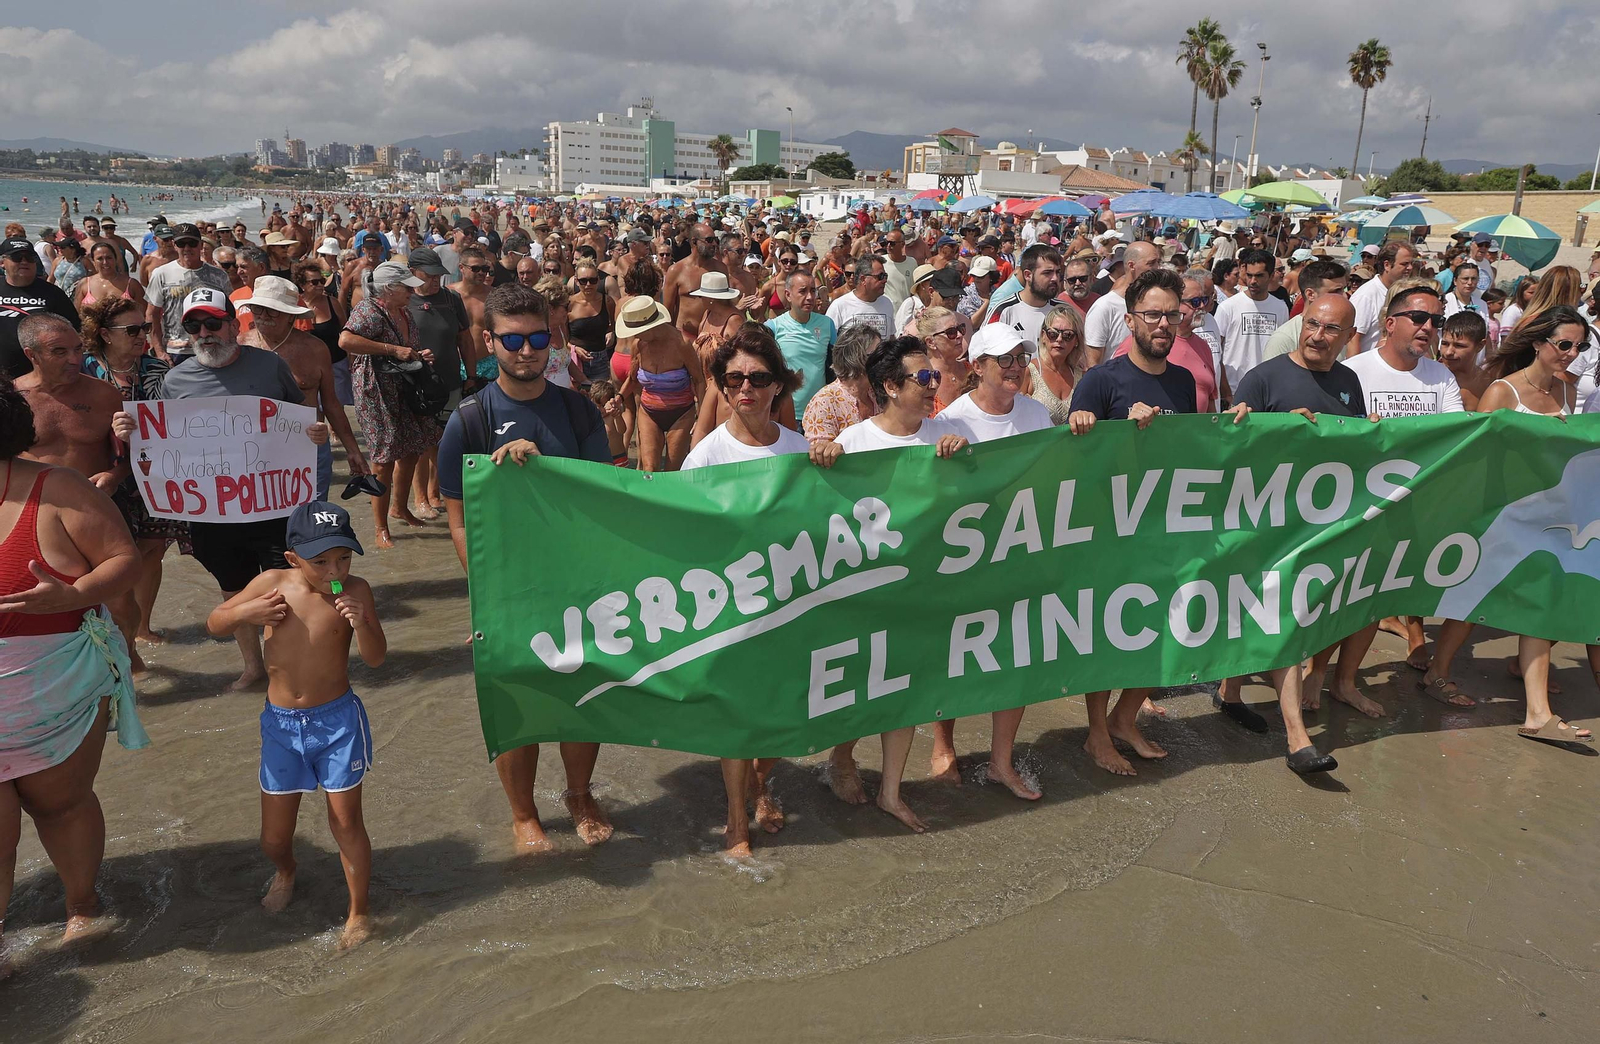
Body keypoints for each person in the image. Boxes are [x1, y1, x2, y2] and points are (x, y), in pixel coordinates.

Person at [437, 282, 613, 850]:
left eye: (538, 338)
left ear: (552, 339)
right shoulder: (469, 420)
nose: (527, 350)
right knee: (516, 703)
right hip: (505, 591)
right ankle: (523, 815)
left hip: (576, 583)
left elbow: (604, 498)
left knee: (582, 695)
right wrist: (486, 591)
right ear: (490, 342)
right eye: (512, 341)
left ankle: (580, 794)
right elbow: (459, 521)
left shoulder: (578, 411)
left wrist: (542, 476)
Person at [1068, 269, 1246, 773]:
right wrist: (1109, 432)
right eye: (1152, 314)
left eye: (1172, 313)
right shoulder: (1101, 380)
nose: (1164, 323)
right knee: (1109, 634)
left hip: (1166, 526)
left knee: (1169, 625)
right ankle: (1097, 734)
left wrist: (1237, 428)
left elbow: (1191, 450)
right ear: (1130, 321)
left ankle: (1125, 719)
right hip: (1111, 530)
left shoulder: (1184, 380)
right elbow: (1075, 465)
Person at [0, 373, 145, 975]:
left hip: (54, 683)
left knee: (59, 805)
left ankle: (82, 907)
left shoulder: (56, 489)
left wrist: (75, 594)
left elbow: (124, 560)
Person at [205, 501, 385, 951]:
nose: (334, 570)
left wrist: (362, 624)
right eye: (320, 562)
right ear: (292, 558)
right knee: (273, 838)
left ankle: (359, 911)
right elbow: (215, 622)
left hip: (338, 723)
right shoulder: (272, 584)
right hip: (282, 727)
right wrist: (246, 614)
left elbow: (376, 658)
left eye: (343, 557)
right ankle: (286, 870)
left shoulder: (356, 590)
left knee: (346, 822)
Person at [811, 336, 970, 832]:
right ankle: (842, 757)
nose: (933, 385)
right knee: (860, 688)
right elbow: (819, 514)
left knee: (906, 688)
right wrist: (826, 459)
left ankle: (891, 792)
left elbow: (981, 493)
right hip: (866, 591)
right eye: (923, 378)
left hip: (923, 589)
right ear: (890, 386)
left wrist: (964, 456)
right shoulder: (855, 442)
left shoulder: (946, 433)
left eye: (934, 376)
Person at [1421, 306, 1595, 749]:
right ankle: (1438, 672)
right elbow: (1477, 458)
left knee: (1538, 600)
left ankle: (1537, 711)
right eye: (1564, 344)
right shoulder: (1503, 391)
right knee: (1473, 598)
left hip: (1549, 518)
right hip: (1501, 514)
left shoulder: (1568, 390)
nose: (1571, 354)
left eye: (1580, 347)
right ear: (1538, 343)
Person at [680, 327, 816, 855]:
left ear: (778, 385)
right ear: (720, 384)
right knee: (736, 714)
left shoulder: (802, 451)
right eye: (734, 378)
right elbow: (682, 537)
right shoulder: (705, 458)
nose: (746, 388)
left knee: (785, 709)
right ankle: (736, 818)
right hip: (730, 606)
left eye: (758, 378)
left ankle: (760, 781)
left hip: (791, 603)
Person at [1229, 294, 1374, 774]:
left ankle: (1231, 692)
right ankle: (1296, 738)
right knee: (1279, 616)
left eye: (1331, 329)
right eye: (1312, 324)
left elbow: (1353, 450)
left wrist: (1370, 434)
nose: (1318, 335)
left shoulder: (1349, 381)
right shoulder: (1264, 378)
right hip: (1264, 524)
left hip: (1319, 525)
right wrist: (1278, 430)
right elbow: (1228, 447)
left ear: (1348, 335)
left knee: (1286, 615)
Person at [927, 324, 1055, 798]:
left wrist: (1082, 429)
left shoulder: (1036, 413)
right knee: (955, 652)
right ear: (977, 366)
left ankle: (1002, 761)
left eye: (1020, 358)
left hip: (1022, 550)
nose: (1015, 367)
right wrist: (943, 456)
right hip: (966, 558)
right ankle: (943, 744)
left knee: (1018, 651)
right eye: (1004, 360)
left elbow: (1058, 474)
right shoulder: (950, 421)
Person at [1341, 282, 1461, 697]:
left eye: (1436, 321)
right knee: (1346, 596)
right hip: (1362, 506)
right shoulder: (1354, 371)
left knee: (1388, 594)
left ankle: (1348, 679)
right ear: (1390, 324)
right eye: (1419, 317)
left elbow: (1455, 436)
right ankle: (1321, 674)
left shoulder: (1441, 376)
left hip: (1419, 506)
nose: (1428, 327)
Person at [79, 298, 185, 653]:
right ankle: (120, 637)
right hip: (104, 476)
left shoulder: (159, 369)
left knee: (152, 550)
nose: (143, 335)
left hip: (153, 474)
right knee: (116, 557)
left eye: (145, 327)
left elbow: (179, 425)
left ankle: (142, 628)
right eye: (133, 330)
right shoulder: (84, 372)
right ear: (105, 335)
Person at [338, 261, 444, 547]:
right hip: (376, 392)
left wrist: (419, 355)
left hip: (405, 388)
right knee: (383, 460)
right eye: (406, 287)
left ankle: (399, 508)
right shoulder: (369, 310)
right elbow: (345, 340)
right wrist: (392, 349)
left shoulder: (404, 312)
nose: (412, 291)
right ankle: (380, 527)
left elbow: (406, 349)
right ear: (388, 289)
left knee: (411, 451)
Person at [239, 276, 369, 503]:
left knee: (311, 515)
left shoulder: (315, 349)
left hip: (309, 446)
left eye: (272, 311)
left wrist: (353, 450)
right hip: (255, 450)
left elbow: (331, 402)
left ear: (291, 315)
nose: (263, 316)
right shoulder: (241, 347)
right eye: (257, 309)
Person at [619, 295, 702, 472]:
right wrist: (618, 397)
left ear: (650, 327)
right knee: (649, 468)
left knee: (673, 470)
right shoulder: (638, 345)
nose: (634, 335)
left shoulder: (682, 344)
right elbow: (632, 379)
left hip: (681, 413)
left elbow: (699, 380)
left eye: (637, 330)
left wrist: (701, 417)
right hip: (649, 412)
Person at [144, 223, 231, 365]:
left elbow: (229, 313)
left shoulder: (219, 275)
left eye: (192, 243)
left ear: (201, 245)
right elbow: (152, 314)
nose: (187, 248)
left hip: (212, 346)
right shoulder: (161, 274)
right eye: (181, 243)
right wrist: (159, 350)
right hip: (176, 350)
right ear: (174, 245)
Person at [0, 235, 80, 379]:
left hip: (42, 377)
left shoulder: (53, 293)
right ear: (2, 262)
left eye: (29, 257)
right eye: (17, 257)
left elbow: (75, 331)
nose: (24, 261)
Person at [1215, 248, 1288, 400]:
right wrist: (1225, 391)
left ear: (1271, 276)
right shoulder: (1228, 307)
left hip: (1268, 390)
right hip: (1234, 389)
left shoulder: (1281, 307)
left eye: (1259, 276)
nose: (1253, 281)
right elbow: (1215, 351)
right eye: (1249, 275)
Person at [764, 270, 836, 423]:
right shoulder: (773, 327)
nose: (809, 297)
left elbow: (836, 365)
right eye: (803, 291)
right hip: (787, 414)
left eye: (813, 291)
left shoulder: (827, 324)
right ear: (788, 295)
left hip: (820, 412)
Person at [1083, 241, 1161, 366]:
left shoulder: (1157, 304)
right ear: (1131, 265)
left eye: (1158, 262)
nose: (1158, 268)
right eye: (1151, 263)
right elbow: (1092, 365)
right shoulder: (1104, 307)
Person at [800, 324, 880, 443]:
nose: (884, 360)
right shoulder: (824, 403)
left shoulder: (881, 393)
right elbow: (821, 450)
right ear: (854, 358)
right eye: (877, 355)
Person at [1264, 260, 1348, 361]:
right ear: (1310, 294)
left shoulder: (1340, 331)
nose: (1345, 296)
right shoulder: (1284, 338)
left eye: (1344, 289)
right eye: (1336, 291)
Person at [1019, 303, 1087, 425]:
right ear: (1043, 336)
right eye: (1053, 334)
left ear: (1076, 341)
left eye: (1067, 335)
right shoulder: (1028, 372)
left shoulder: (1081, 376)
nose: (1059, 339)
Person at [1349, 241, 1416, 356]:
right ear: (1387, 265)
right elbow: (1353, 339)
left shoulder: (1399, 292)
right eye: (1404, 264)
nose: (1410, 268)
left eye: (1411, 263)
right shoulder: (1366, 295)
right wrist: (1356, 367)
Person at [664, 223, 729, 340]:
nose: (714, 244)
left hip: (713, 337)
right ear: (694, 241)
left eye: (715, 240)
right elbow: (667, 311)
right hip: (684, 337)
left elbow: (725, 304)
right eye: (709, 240)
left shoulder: (721, 269)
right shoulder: (676, 270)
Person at [566, 261, 615, 385]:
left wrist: (611, 333)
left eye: (593, 280)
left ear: (598, 280)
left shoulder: (607, 301)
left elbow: (613, 326)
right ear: (576, 281)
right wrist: (574, 348)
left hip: (600, 360)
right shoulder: (568, 304)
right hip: (575, 361)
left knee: (600, 395)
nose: (588, 285)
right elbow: (560, 336)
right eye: (583, 281)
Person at [825, 254, 895, 338]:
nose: (884, 281)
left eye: (885, 276)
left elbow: (891, 338)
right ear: (863, 279)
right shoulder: (839, 306)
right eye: (880, 276)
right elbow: (826, 338)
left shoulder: (887, 303)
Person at [1438, 310, 1493, 410]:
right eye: (1445, 344)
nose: (1448, 352)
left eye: (1459, 346)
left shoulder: (1488, 382)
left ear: (1480, 346)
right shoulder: (1432, 380)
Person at [74, 241, 145, 314]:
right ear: (93, 261)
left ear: (115, 259)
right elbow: (75, 314)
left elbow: (145, 313)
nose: (105, 262)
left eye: (109, 258)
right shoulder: (84, 284)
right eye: (100, 259)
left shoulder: (132, 284)